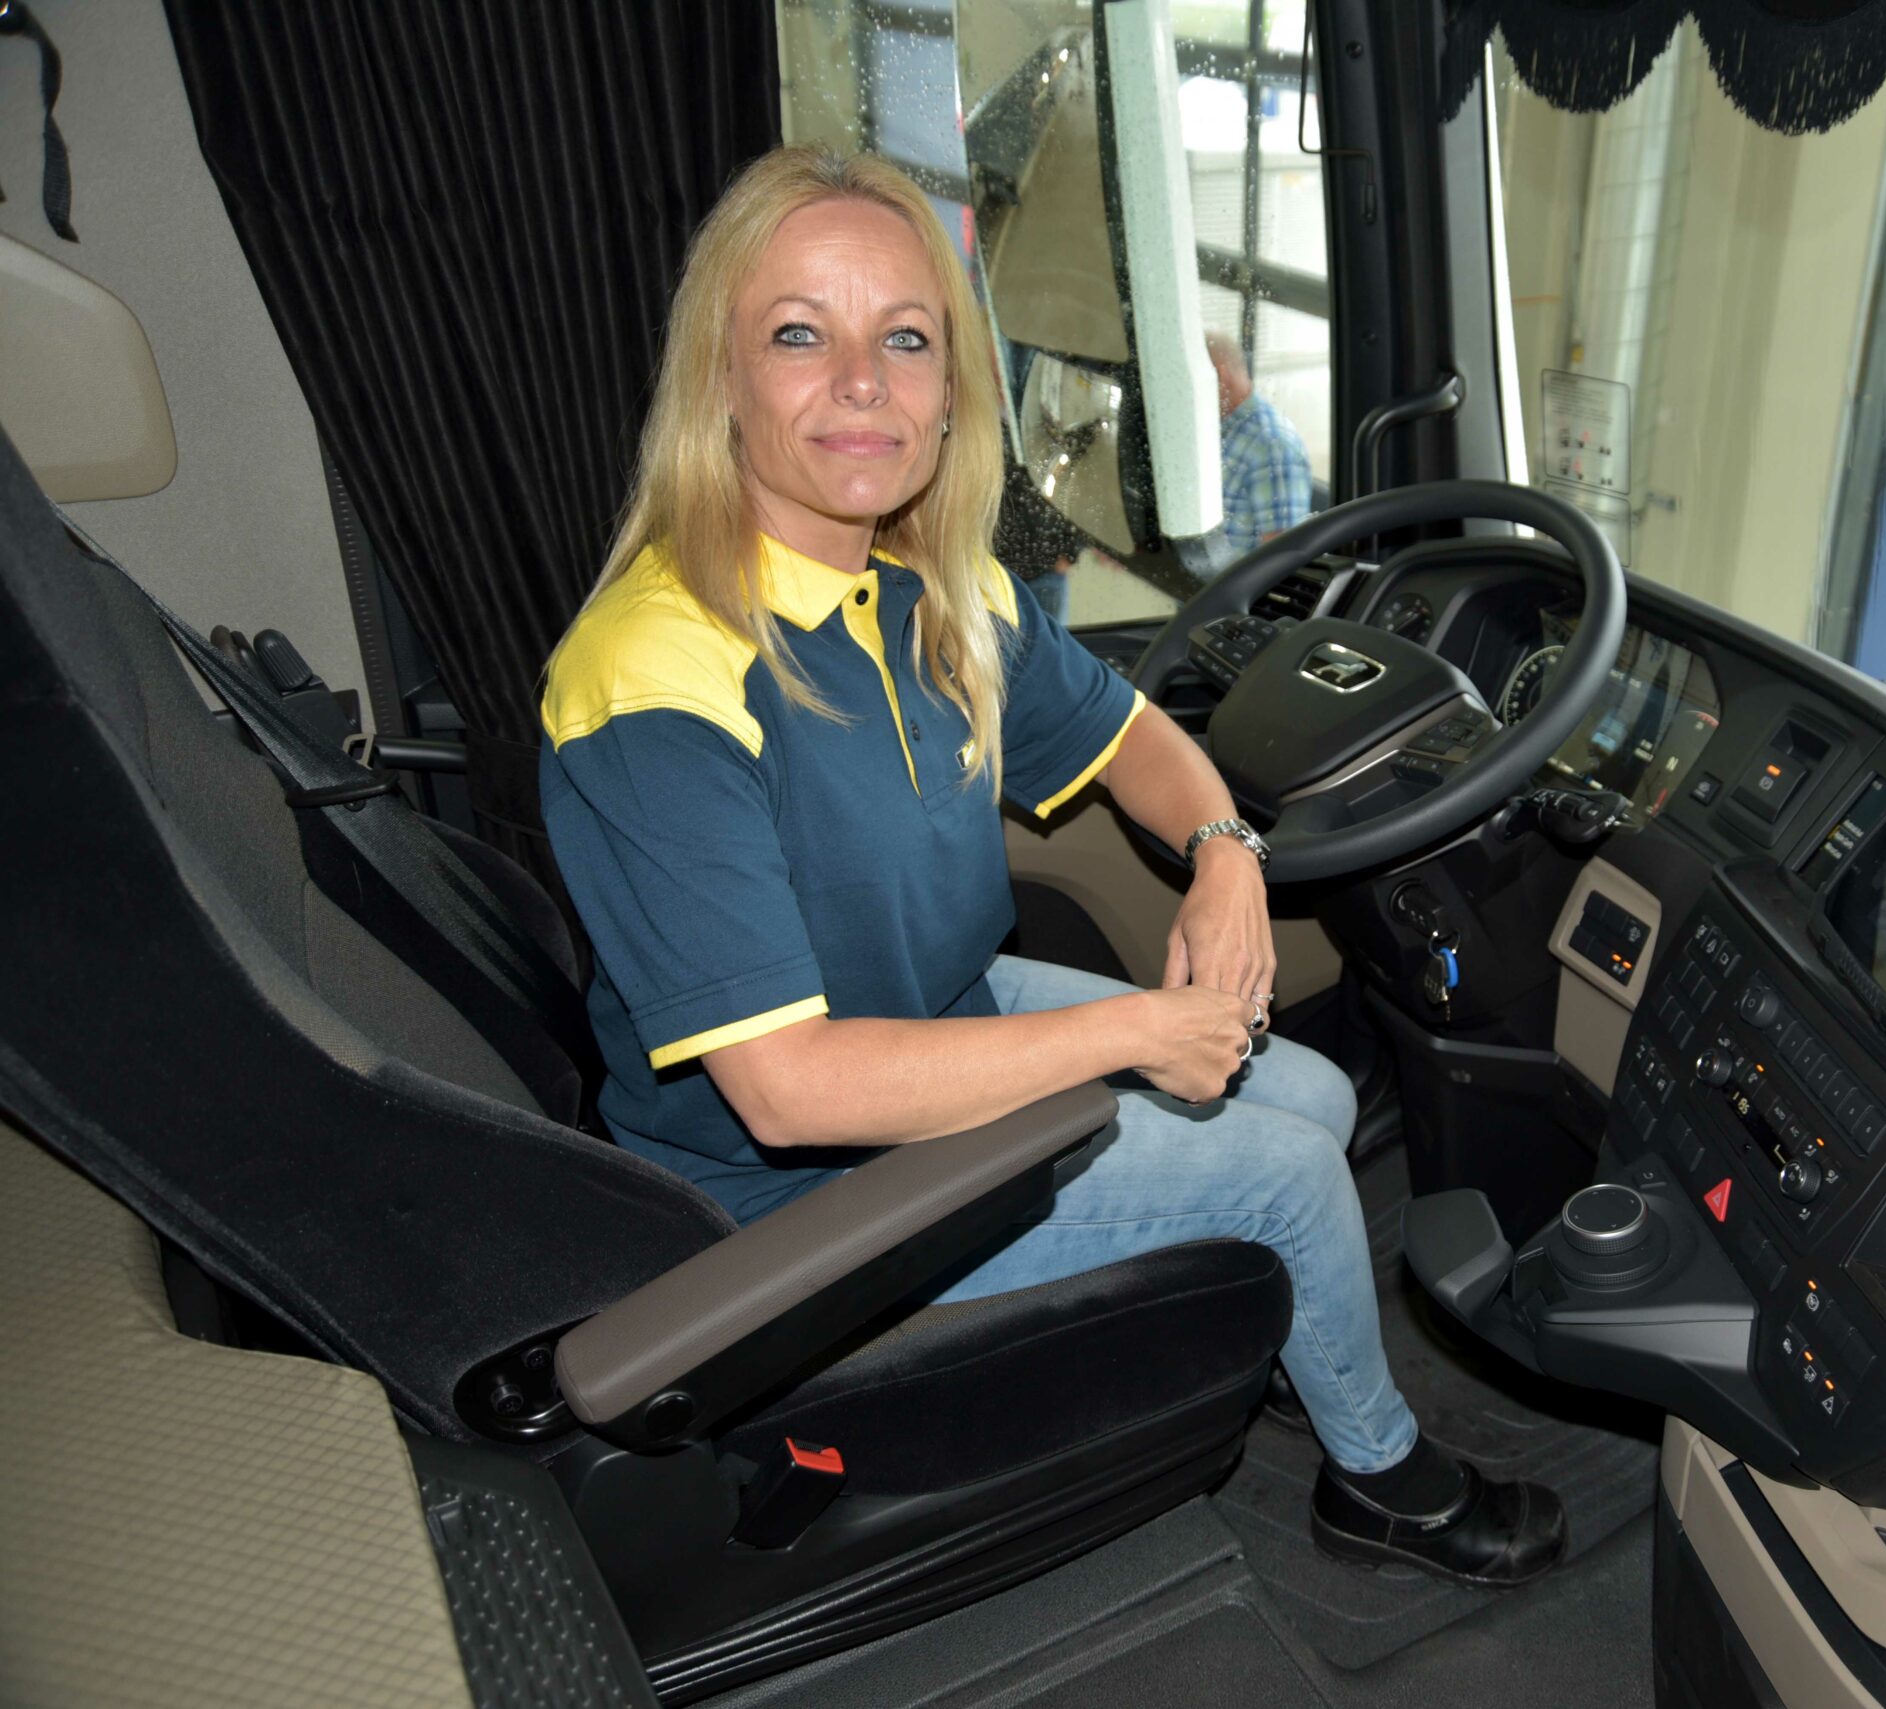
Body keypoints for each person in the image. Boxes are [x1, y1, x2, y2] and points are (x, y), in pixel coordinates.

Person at [538, 147, 1566, 1588]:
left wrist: (1223, 856)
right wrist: (1137, 1028)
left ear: (953, 390)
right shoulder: (653, 676)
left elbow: (1141, 738)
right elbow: (790, 1088)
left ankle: (1287, 1330)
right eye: (800, 335)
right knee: (1290, 1174)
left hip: (943, 1016)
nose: (862, 382)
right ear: (721, 378)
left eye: (906, 338)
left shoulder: (932, 588)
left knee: (1322, 1094)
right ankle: (1381, 1481)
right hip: (785, 1190)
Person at [1207, 330, 1313, 560]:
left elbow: (1283, 557)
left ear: (1219, 375)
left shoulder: (1271, 446)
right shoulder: (1215, 430)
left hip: (1230, 583)